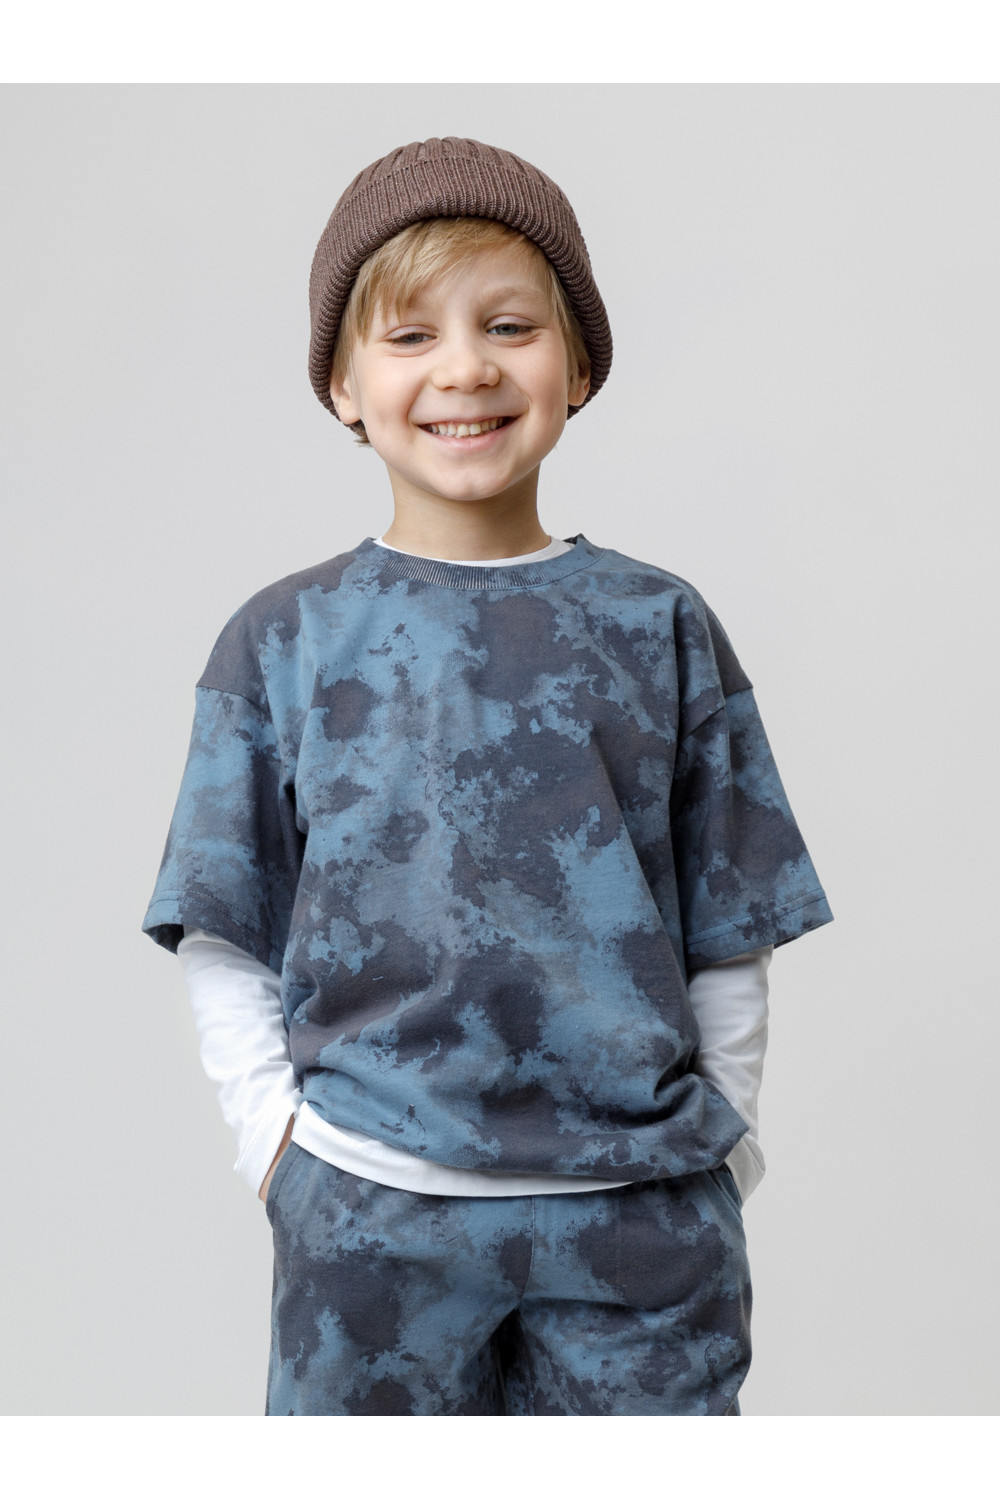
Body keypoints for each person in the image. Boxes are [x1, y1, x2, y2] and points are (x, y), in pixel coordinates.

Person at [142, 136, 833, 1416]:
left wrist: (721, 1145)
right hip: (369, 1210)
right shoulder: (284, 641)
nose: (464, 368)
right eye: (410, 336)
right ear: (342, 385)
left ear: (579, 364)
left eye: (509, 326)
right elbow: (225, 923)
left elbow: (731, 920)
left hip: (639, 1215)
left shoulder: (659, 625)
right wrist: (276, 1146)